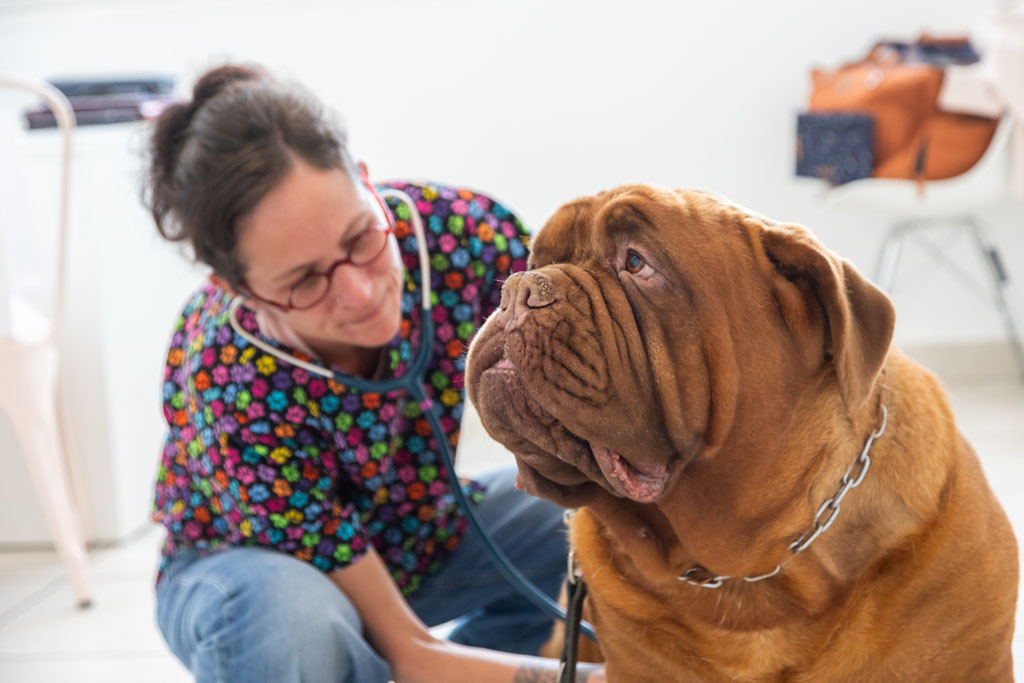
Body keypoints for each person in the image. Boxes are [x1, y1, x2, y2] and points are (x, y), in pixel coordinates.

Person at [146, 64, 602, 683]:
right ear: (238, 290)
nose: (359, 294)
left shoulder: (464, 236)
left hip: (415, 533)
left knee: (588, 523)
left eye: (361, 236)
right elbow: (413, 653)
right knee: (289, 624)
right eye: (305, 281)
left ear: (364, 180)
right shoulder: (227, 378)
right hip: (255, 575)